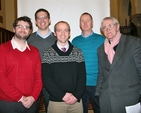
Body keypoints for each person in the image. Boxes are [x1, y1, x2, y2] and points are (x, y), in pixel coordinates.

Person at [95, 16, 141, 113]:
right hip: (106, 99)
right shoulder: (100, 49)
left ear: (117, 27)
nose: (107, 29)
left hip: (129, 98)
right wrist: (97, 94)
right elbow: (101, 74)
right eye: (104, 28)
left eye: (110, 25)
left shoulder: (133, 43)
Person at [0, 16, 43, 113]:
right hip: (8, 103)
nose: (23, 29)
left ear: (30, 31)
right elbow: (1, 77)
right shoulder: (2, 49)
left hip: (32, 102)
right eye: (20, 26)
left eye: (26, 27)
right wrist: (20, 97)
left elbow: (39, 76)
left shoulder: (35, 51)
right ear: (14, 29)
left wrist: (33, 97)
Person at [42, 21, 86, 113]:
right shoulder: (47, 53)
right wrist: (62, 95)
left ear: (69, 33)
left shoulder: (78, 52)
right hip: (56, 102)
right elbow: (46, 79)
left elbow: (82, 77)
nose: (62, 33)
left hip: (76, 102)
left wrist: (76, 96)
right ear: (55, 33)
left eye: (65, 30)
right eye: (59, 30)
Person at [72, 12, 105, 113]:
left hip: (97, 84)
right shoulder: (75, 41)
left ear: (92, 23)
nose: (85, 23)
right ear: (79, 24)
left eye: (88, 20)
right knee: (81, 111)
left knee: (99, 109)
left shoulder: (102, 40)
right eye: (82, 21)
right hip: (80, 84)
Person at [27, 8, 56, 113]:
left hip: (52, 81)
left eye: (45, 17)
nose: (42, 20)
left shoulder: (57, 38)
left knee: (52, 109)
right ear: (35, 21)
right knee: (32, 108)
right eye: (39, 18)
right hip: (33, 81)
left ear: (49, 20)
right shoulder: (29, 39)